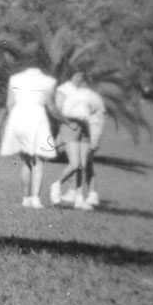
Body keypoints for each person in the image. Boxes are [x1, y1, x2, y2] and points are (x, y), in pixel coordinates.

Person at [0, 66, 63, 208]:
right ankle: (35, 199)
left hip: (18, 118)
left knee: (27, 161)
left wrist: (15, 121)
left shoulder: (15, 79)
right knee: (38, 161)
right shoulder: (48, 81)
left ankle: (25, 198)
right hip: (37, 118)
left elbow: (9, 104)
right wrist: (64, 121)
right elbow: (51, 107)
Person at [52, 80, 106, 210]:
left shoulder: (83, 97)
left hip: (83, 127)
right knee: (76, 164)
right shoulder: (84, 97)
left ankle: (79, 198)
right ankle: (56, 185)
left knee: (81, 165)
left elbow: (94, 117)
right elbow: (96, 117)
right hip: (74, 127)